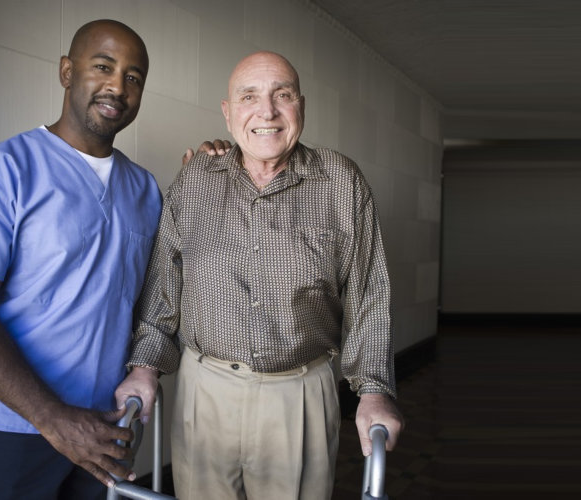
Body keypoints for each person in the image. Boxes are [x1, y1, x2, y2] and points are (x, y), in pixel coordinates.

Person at [114, 51, 404, 500]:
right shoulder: (194, 181)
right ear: (228, 114)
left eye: (281, 95)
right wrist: (144, 367)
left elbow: (369, 295)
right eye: (249, 97)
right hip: (203, 391)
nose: (266, 111)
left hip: (299, 394)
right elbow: (162, 293)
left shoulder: (342, 183)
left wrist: (374, 390)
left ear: (301, 107)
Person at [0, 19, 161, 500]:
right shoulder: (2, 171)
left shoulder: (146, 190)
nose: (118, 85)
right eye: (103, 66)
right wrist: (54, 419)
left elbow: (155, 299)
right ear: (66, 72)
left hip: (109, 427)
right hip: (14, 431)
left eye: (133, 77)